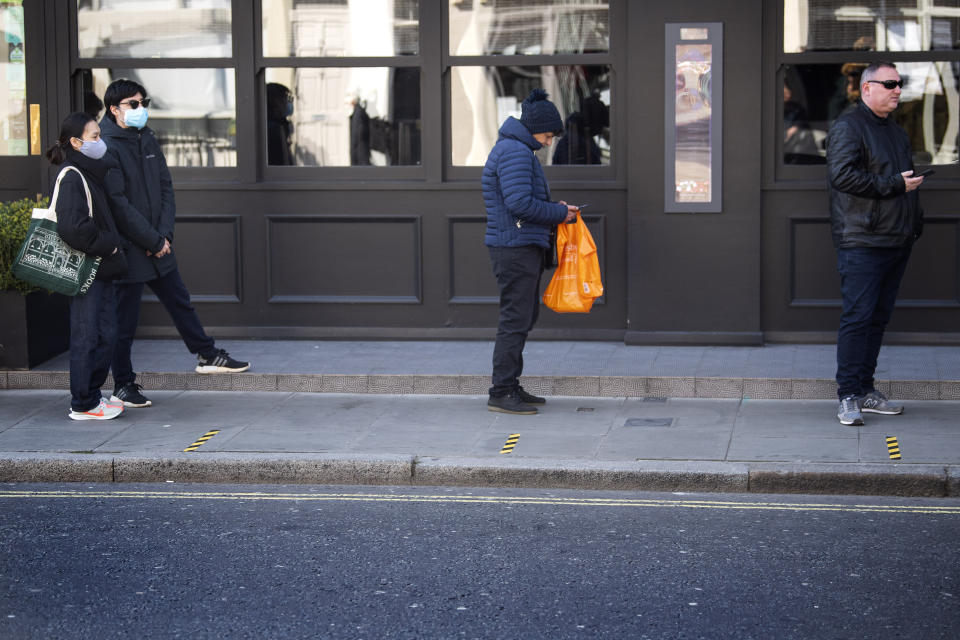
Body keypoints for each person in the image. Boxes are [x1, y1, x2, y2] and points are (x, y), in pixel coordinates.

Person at [99, 78, 250, 409]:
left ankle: (207, 355)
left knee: (180, 300)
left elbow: (166, 188)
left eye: (145, 103)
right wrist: (152, 239)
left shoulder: (146, 138)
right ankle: (122, 384)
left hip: (158, 244)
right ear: (114, 109)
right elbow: (119, 205)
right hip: (131, 247)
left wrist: (164, 236)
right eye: (133, 104)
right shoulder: (107, 146)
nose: (141, 109)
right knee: (124, 321)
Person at [825, 61, 924, 426]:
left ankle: (865, 389)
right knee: (858, 318)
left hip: (896, 239)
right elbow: (842, 176)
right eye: (890, 83)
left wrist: (915, 221)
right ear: (867, 88)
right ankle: (848, 395)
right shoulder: (849, 127)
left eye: (900, 83)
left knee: (877, 320)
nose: (898, 89)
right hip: (862, 240)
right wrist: (895, 186)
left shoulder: (896, 133)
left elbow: (904, 179)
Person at [481, 88, 578, 415]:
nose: (549, 142)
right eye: (549, 135)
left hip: (516, 245)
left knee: (522, 317)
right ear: (535, 127)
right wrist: (559, 214)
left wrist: (554, 207)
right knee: (515, 319)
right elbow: (520, 204)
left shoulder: (515, 149)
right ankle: (502, 390)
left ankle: (510, 384)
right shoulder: (515, 152)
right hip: (515, 248)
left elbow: (520, 200)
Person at [46, 112, 128, 420]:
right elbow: (74, 228)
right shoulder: (72, 176)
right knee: (88, 334)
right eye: (94, 137)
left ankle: (91, 397)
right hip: (87, 269)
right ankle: (83, 403)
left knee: (102, 332)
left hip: (98, 268)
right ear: (76, 143)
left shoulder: (88, 172)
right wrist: (110, 243)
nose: (100, 142)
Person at [266, 82, 294, 165]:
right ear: (275, 102)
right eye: (284, 99)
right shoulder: (273, 128)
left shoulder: (280, 125)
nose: (287, 103)